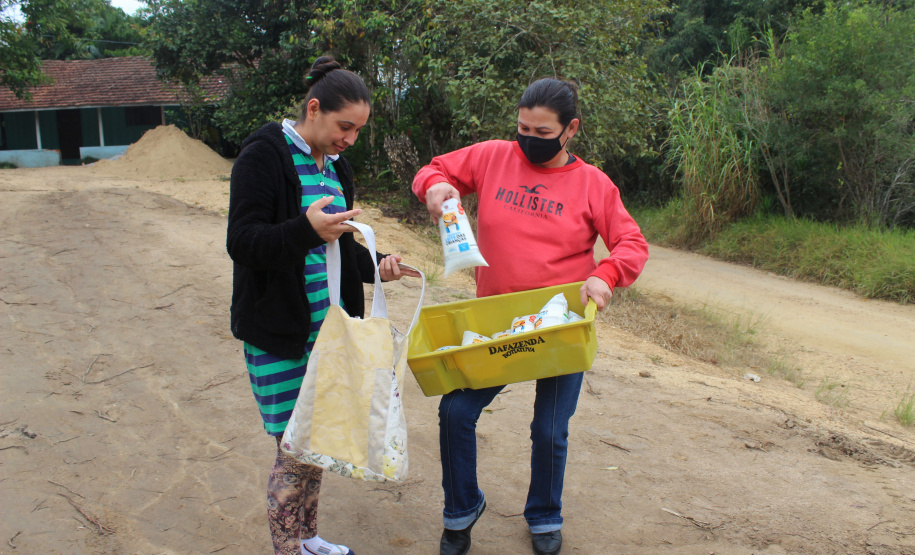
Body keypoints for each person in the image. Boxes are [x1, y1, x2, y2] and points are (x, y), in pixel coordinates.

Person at [412, 78, 649, 555]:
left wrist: (607, 274)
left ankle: (544, 514)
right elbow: (434, 171)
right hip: (497, 319)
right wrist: (436, 187)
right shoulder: (493, 156)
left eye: (542, 132)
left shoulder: (593, 185)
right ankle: (461, 508)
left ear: (570, 130)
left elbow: (631, 243)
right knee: (455, 412)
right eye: (522, 127)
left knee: (550, 429)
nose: (528, 139)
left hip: (560, 328)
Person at [227, 56, 417, 555]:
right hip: (280, 335)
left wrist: (377, 264)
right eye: (344, 127)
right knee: (294, 450)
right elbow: (244, 242)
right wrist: (304, 229)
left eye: (357, 130)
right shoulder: (264, 155)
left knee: (315, 446)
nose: (349, 139)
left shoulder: (337, 168)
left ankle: (307, 539)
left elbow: (336, 248)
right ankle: (289, 549)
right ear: (314, 109)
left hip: (328, 335)